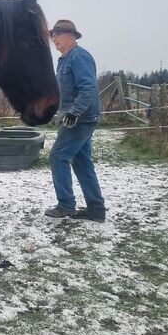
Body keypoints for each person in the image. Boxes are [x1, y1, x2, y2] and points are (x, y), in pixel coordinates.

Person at [45, 20, 107, 221]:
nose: (54, 38)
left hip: (80, 119)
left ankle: (65, 205)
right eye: (53, 34)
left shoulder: (79, 56)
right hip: (76, 117)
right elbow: (68, 90)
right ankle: (96, 210)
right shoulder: (65, 58)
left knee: (58, 156)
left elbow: (88, 88)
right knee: (82, 163)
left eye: (58, 34)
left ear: (71, 35)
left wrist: (73, 113)